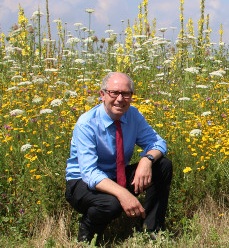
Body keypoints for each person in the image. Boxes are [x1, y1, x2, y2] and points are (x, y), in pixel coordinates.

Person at [65, 72, 173, 243]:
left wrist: (147, 160)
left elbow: (158, 142)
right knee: (111, 203)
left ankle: (151, 231)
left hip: (116, 175)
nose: (120, 99)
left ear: (131, 96)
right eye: (114, 93)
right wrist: (123, 194)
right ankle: (88, 234)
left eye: (126, 94)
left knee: (163, 165)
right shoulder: (87, 124)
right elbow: (89, 173)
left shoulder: (133, 115)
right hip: (81, 182)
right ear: (102, 95)